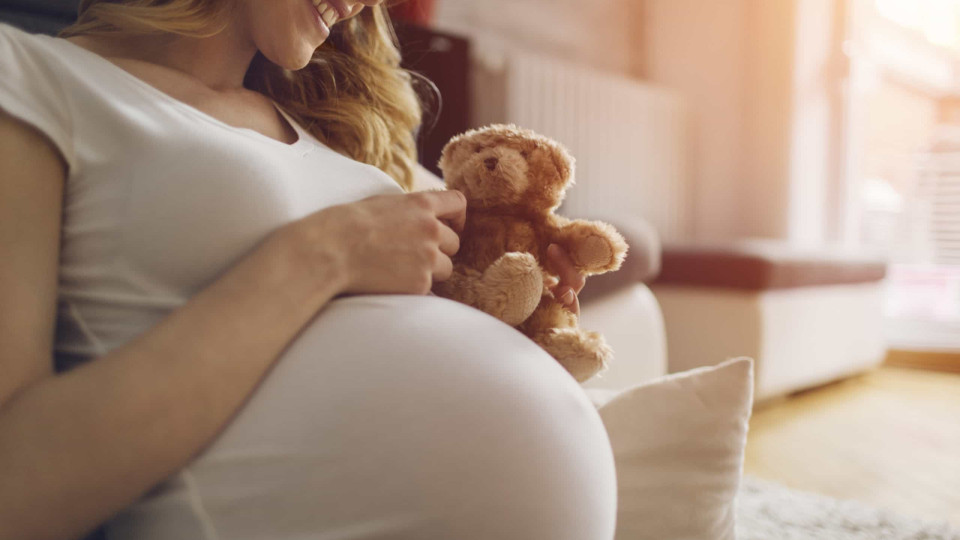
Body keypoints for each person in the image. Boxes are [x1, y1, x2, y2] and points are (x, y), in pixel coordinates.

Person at [0, 1, 617, 538]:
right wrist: (324, 254)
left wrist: (515, 280)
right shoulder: (31, 74)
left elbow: (488, 232)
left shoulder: (329, 123)